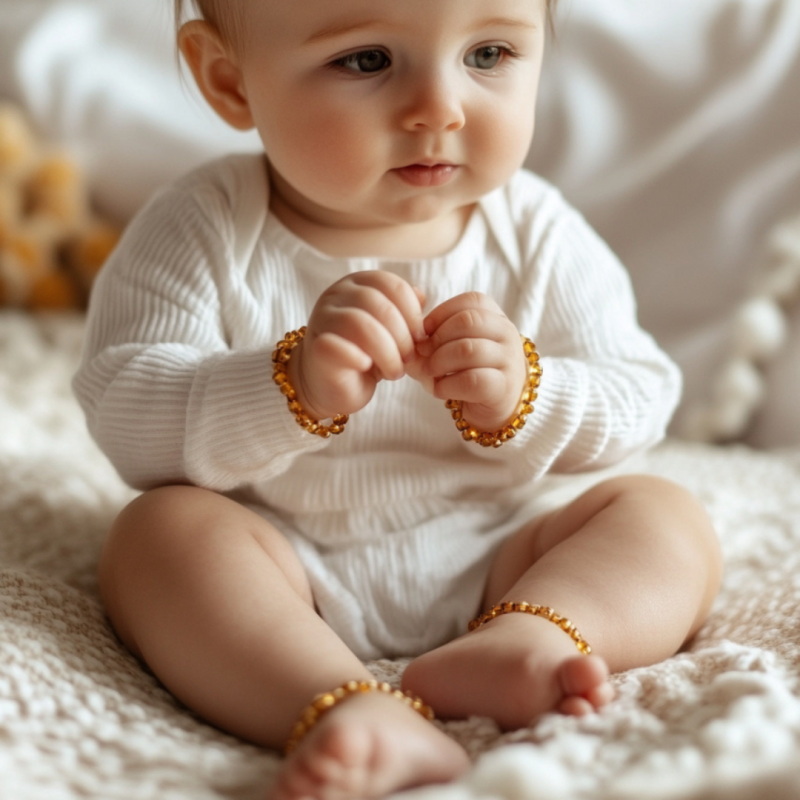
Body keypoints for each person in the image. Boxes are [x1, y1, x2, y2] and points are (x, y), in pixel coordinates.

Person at [72, 0, 723, 798]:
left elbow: (641, 393)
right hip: (280, 560)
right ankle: (336, 700)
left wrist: (532, 393)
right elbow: (124, 405)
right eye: (368, 61)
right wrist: (288, 384)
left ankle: (530, 636)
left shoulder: (538, 233)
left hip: (503, 549)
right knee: (155, 537)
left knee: (666, 517)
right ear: (230, 80)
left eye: (487, 55)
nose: (440, 109)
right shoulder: (200, 227)